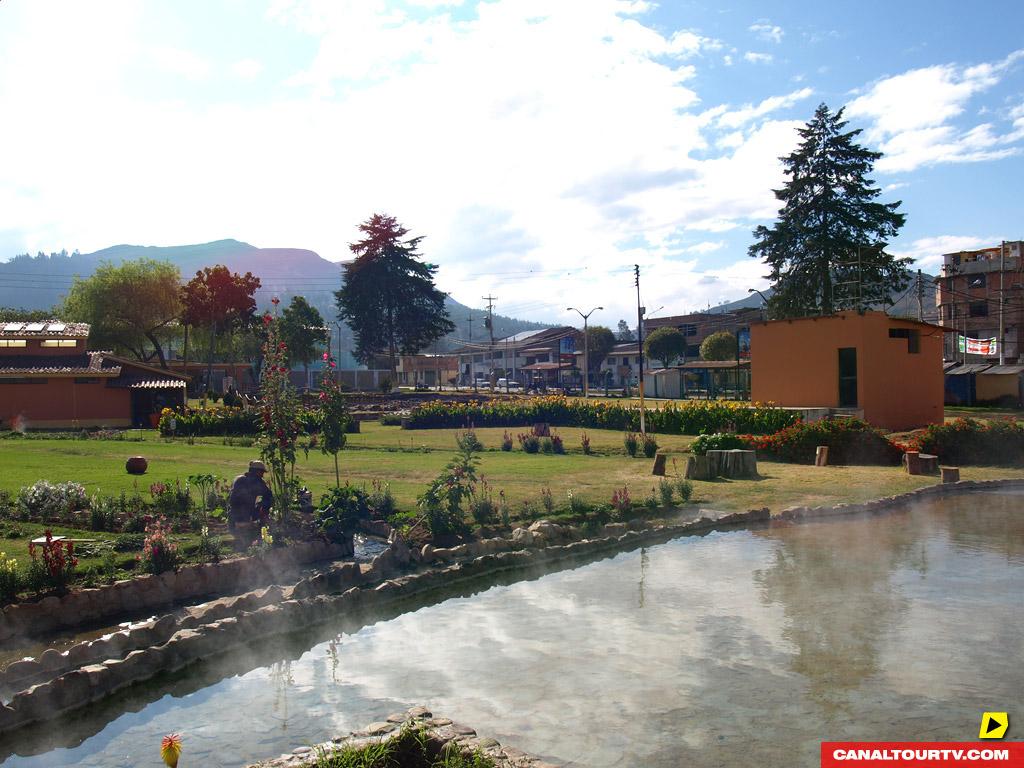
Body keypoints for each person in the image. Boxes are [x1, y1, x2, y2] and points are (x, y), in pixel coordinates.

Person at [228, 460, 274, 530]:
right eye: (262, 472)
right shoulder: (258, 482)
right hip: (247, 515)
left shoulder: (239, 479)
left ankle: (238, 525)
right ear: (258, 471)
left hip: (233, 515)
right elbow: (269, 496)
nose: (262, 475)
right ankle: (247, 525)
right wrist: (262, 508)